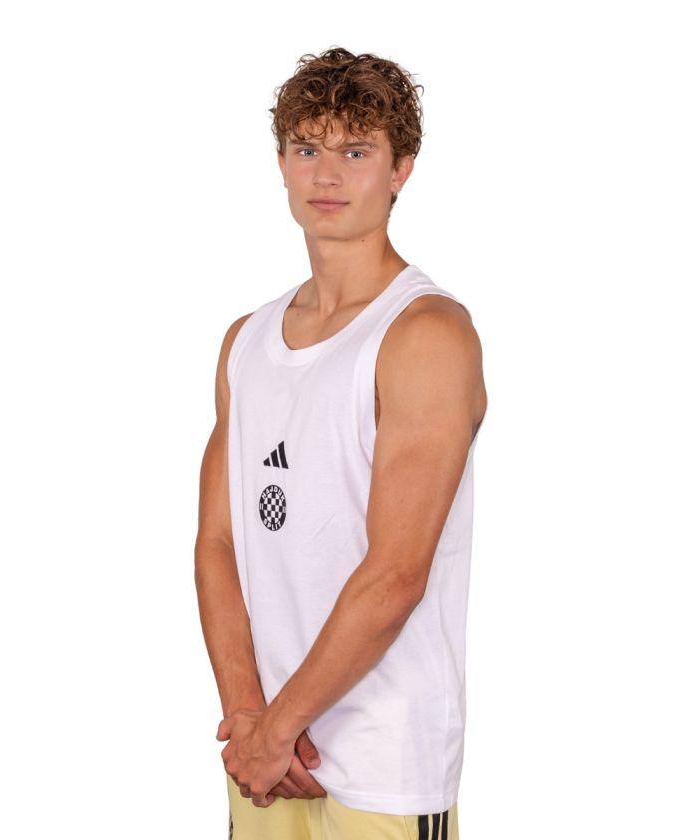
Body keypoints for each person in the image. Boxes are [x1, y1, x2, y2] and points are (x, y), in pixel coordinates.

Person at [195, 46, 487, 840]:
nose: (327, 174)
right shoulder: (246, 342)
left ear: (401, 170)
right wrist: (248, 717)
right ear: (282, 163)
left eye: (356, 151)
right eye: (307, 148)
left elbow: (396, 574)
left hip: (385, 764)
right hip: (269, 765)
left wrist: (276, 727)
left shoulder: (426, 334)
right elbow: (218, 544)